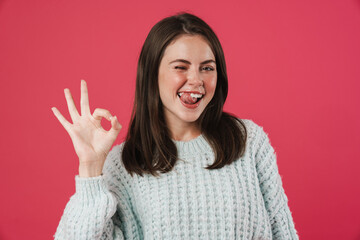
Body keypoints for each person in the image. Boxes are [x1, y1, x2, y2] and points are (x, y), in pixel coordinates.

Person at [51, 12, 299, 240]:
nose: (196, 80)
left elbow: (283, 233)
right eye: (180, 67)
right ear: (152, 74)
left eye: (207, 68)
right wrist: (91, 168)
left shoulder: (248, 141)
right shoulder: (125, 163)